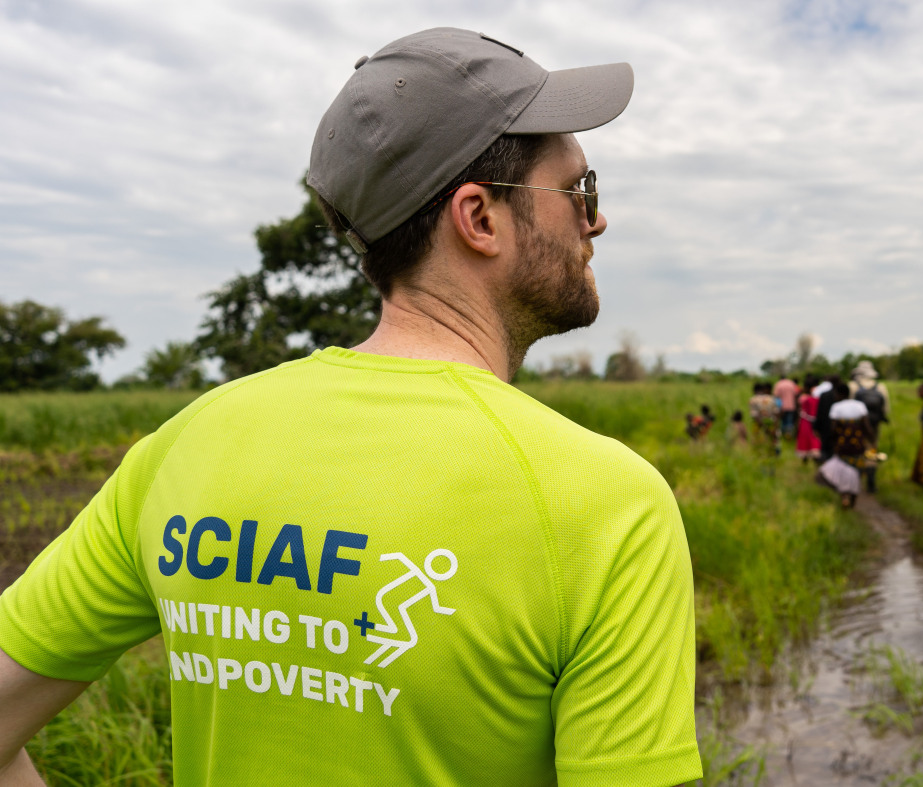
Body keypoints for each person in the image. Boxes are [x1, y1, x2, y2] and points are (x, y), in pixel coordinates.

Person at [0, 28, 704, 787]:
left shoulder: (184, 446)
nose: (594, 221)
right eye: (578, 191)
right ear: (479, 218)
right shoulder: (606, 504)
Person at [818, 383, 874, 509]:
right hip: (858, 445)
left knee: (842, 470)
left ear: (840, 394)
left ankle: (844, 495)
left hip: (842, 445)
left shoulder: (836, 407)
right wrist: (872, 441)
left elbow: (833, 429)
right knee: (856, 469)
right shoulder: (859, 406)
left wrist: (830, 442)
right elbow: (867, 426)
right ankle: (853, 497)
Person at [849, 360, 890, 448]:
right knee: (873, 440)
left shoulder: (852, 386)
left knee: (858, 441)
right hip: (875, 420)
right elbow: (885, 407)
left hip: (857, 420)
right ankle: (872, 457)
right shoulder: (880, 386)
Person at [814, 374, 842, 463]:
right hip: (838, 426)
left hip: (825, 425)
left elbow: (820, 412)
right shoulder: (841, 396)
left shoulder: (824, 395)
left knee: (825, 446)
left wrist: (816, 427)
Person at [748, 381, 781, 456]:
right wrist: (775, 428)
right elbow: (777, 415)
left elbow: (755, 416)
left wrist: (765, 428)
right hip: (772, 426)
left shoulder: (753, 400)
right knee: (772, 447)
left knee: (760, 450)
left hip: (759, 427)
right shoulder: (772, 399)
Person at [795, 375, 822, 463]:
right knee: (813, 438)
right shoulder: (816, 398)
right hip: (812, 421)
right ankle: (813, 456)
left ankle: (806, 457)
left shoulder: (805, 398)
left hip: (805, 422)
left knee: (807, 438)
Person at [773, 375, 799, 440]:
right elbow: (796, 394)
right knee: (789, 421)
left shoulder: (778, 384)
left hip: (782, 407)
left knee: (783, 421)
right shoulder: (791, 383)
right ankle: (789, 435)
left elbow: (776, 395)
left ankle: (784, 435)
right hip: (791, 406)